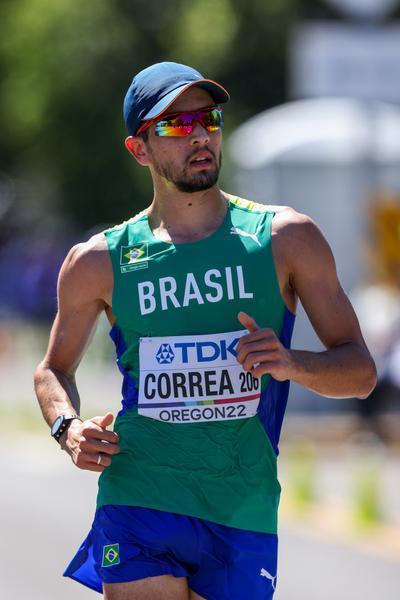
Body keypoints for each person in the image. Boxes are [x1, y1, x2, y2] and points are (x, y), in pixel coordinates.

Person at [34, 61, 377, 600]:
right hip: (139, 493)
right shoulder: (98, 261)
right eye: (174, 124)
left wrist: (293, 363)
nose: (199, 134)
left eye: (208, 118)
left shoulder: (286, 238)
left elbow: (360, 372)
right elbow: (53, 369)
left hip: (242, 504)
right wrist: (67, 429)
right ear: (139, 149)